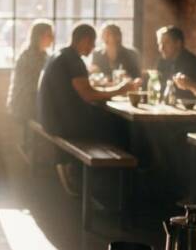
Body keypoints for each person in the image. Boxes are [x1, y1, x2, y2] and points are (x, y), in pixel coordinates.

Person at [37, 23, 140, 195]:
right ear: (84, 40)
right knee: (120, 127)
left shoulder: (60, 55)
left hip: (50, 118)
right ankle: (116, 187)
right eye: (92, 42)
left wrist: (110, 90)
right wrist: (122, 89)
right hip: (63, 124)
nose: (93, 47)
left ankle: (107, 182)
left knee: (110, 123)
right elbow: (88, 95)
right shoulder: (73, 60)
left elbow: (84, 91)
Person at [7, 21, 54, 125]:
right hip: (26, 104)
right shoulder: (29, 57)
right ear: (39, 36)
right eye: (49, 35)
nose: (52, 39)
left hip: (33, 100)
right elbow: (36, 85)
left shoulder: (44, 55)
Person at [155, 26, 196, 99]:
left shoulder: (192, 63)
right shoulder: (162, 62)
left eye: (166, 43)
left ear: (178, 43)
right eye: (160, 43)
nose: (161, 48)